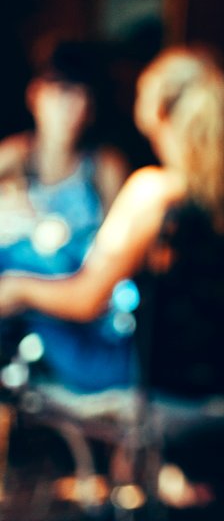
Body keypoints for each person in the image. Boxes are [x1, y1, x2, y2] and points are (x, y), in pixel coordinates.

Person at [0, 46, 224, 399]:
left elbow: (87, 300)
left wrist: (17, 289)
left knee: (18, 258)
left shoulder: (154, 191)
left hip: (143, 369)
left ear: (158, 112)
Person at [0, 40, 131, 392]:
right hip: (22, 321)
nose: (72, 106)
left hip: (80, 310)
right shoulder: (12, 157)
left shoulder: (103, 168)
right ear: (36, 95)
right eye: (62, 92)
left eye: (82, 95)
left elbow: (117, 269)